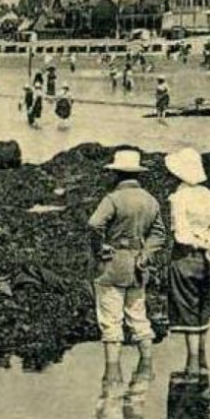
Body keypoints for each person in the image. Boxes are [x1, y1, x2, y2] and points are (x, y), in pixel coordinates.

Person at [87, 147, 164, 386]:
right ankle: (145, 371)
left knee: (111, 321)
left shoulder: (113, 199)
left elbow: (94, 224)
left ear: (116, 174)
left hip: (113, 264)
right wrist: (145, 254)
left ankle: (112, 377)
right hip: (138, 266)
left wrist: (101, 248)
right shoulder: (150, 200)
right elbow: (160, 234)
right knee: (139, 317)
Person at [164, 147, 210, 377]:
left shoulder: (179, 197)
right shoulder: (209, 196)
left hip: (184, 258)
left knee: (187, 308)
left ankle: (191, 365)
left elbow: (180, 235)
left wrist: (198, 242)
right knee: (202, 305)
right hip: (205, 260)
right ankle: (202, 361)